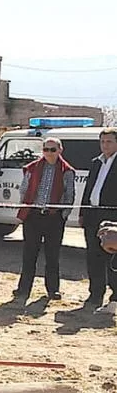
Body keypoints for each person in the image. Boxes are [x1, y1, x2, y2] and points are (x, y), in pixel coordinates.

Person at [13, 137, 74, 302]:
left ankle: (53, 289)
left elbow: (69, 195)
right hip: (33, 217)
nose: (49, 153)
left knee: (52, 256)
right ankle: (23, 289)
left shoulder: (66, 171)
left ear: (60, 150)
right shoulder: (32, 168)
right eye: (46, 149)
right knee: (29, 254)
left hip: (54, 218)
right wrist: (25, 208)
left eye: (53, 150)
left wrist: (63, 215)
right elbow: (24, 189)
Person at [80, 128, 117, 314]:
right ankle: (95, 294)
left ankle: (115, 297)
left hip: (112, 217)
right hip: (92, 215)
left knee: (112, 258)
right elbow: (88, 190)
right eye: (102, 142)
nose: (105, 145)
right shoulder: (96, 163)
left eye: (109, 142)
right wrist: (82, 212)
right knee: (93, 256)